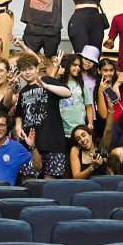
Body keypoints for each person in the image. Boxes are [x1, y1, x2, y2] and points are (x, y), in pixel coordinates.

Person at [15, 52, 72, 180]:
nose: (28, 72)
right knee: (28, 182)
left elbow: (68, 92)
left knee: (49, 185)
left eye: (30, 68)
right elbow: (19, 113)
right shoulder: (23, 91)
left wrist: (46, 86)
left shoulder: (46, 80)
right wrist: (18, 127)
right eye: (24, 70)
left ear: (36, 68)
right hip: (31, 144)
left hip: (53, 142)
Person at [96, 58, 123, 148]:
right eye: (105, 70)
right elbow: (103, 115)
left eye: (111, 70)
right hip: (113, 124)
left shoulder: (120, 82)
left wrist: (116, 85)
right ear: (99, 71)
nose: (109, 73)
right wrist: (100, 91)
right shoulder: (98, 88)